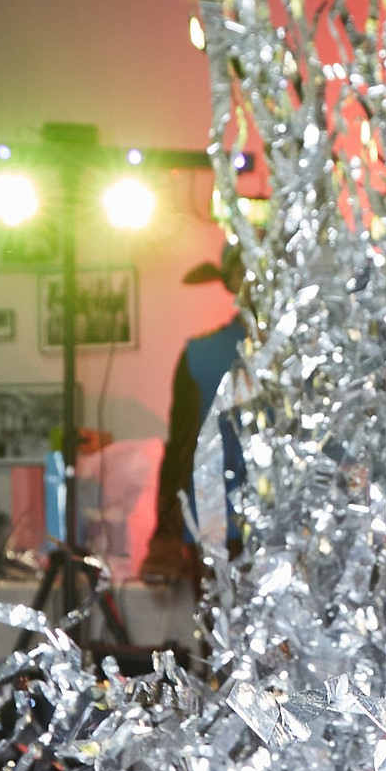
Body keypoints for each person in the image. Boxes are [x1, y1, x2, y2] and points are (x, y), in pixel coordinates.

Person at [143, 249, 246, 583]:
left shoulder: (305, 353)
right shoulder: (201, 356)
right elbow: (181, 446)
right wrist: (166, 532)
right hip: (217, 525)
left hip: (261, 527)